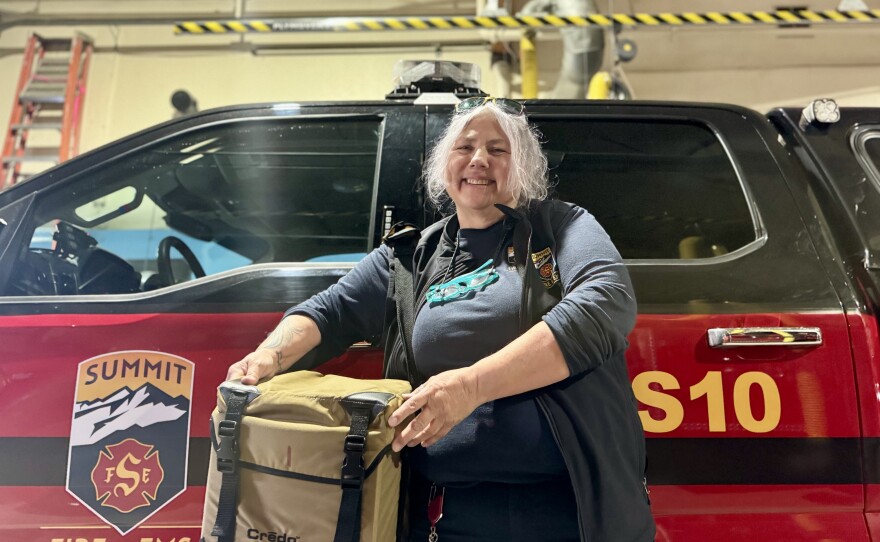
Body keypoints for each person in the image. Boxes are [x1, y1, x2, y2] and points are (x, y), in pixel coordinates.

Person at [226, 96, 655, 541]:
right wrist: (268, 357)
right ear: (443, 164)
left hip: (569, 510)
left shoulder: (560, 227)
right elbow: (329, 311)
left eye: (498, 149)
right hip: (444, 514)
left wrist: (470, 386)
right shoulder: (410, 257)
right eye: (464, 147)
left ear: (523, 164)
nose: (479, 160)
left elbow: (606, 302)